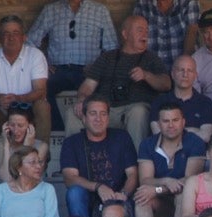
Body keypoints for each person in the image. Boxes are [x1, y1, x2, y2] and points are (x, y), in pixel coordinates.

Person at [68, 15, 171, 147]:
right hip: (105, 110)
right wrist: (82, 100)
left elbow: (166, 84)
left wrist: (146, 75)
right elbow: (88, 86)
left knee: (139, 112)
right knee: (73, 113)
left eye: (146, 31)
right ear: (125, 34)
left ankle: (137, 164)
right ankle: (75, 162)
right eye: (140, 30)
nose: (145, 34)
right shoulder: (107, 57)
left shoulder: (152, 58)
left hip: (133, 110)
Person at [0, 16, 50, 176]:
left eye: (15, 33)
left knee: (43, 105)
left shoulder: (35, 55)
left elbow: (41, 90)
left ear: (24, 37)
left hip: (28, 117)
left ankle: (40, 165)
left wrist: (19, 99)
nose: (11, 37)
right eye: (6, 33)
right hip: (2, 116)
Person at [26, 0, 117, 129]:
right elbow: (29, 42)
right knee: (40, 89)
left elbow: (112, 48)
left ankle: (95, 130)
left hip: (89, 72)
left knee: (105, 89)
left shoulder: (100, 11)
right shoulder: (50, 10)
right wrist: (43, 62)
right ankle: (57, 129)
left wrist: (98, 66)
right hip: (58, 70)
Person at [136, 98, 207, 217]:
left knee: (183, 194)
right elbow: (145, 180)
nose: (171, 125)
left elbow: (189, 180)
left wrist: (158, 190)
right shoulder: (148, 144)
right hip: (161, 202)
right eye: (166, 121)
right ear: (158, 124)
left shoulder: (195, 142)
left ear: (183, 122)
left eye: (175, 120)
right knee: (141, 199)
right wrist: (165, 181)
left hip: (186, 201)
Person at [59, 95, 139, 217]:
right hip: (88, 199)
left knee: (130, 201)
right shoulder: (72, 142)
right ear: (84, 118)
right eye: (93, 113)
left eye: (103, 114)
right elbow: (70, 178)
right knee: (74, 193)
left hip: (117, 196)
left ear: (108, 118)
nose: (98, 119)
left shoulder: (122, 138)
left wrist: (123, 194)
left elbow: (133, 174)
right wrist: (98, 187)